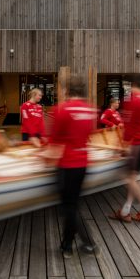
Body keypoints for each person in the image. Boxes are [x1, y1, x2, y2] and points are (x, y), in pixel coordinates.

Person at [48, 75, 98, 258]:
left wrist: (43, 159)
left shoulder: (62, 109)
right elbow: (89, 135)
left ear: (67, 90)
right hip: (83, 164)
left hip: (67, 165)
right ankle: (67, 244)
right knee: (73, 204)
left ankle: (86, 242)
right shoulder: (91, 110)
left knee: (68, 207)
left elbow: (54, 143)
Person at [109, 75, 140, 223]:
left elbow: (128, 126)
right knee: (134, 177)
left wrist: (123, 146)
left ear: (134, 84)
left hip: (137, 143)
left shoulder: (133, 100)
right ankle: (125, 211)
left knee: (129, 177)